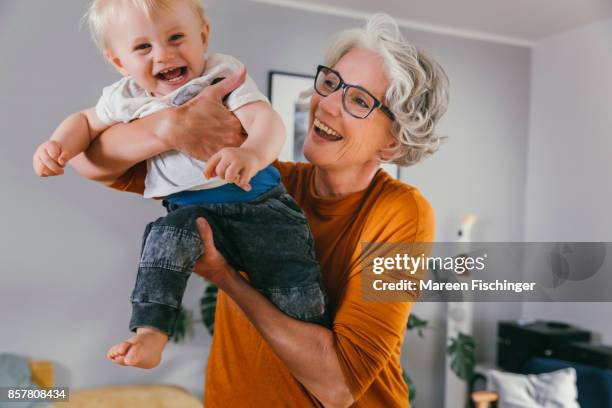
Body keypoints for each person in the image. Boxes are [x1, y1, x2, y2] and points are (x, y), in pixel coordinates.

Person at [72, 13, 449, 408]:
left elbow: (338, 386)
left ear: (393, 143)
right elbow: (87, 161)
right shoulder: (260, 181)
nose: (327, 106)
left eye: (358, 100)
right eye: (332, 83)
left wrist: (227, 278)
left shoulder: (400, 211)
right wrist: (167, 128)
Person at [32, 0, 329, 370]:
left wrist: (251, 154)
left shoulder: (221, 74)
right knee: (162, 244)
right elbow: (84, 123)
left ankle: (312, 341)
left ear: (203, 36)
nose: (164, 54)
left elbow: (265, 120)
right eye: (143, 47)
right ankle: (151, 333)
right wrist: (58, 144)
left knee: (293, 285)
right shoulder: (127, 98)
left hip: (260, 207)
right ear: (119, 62)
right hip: (190, 213)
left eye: (176, 38)